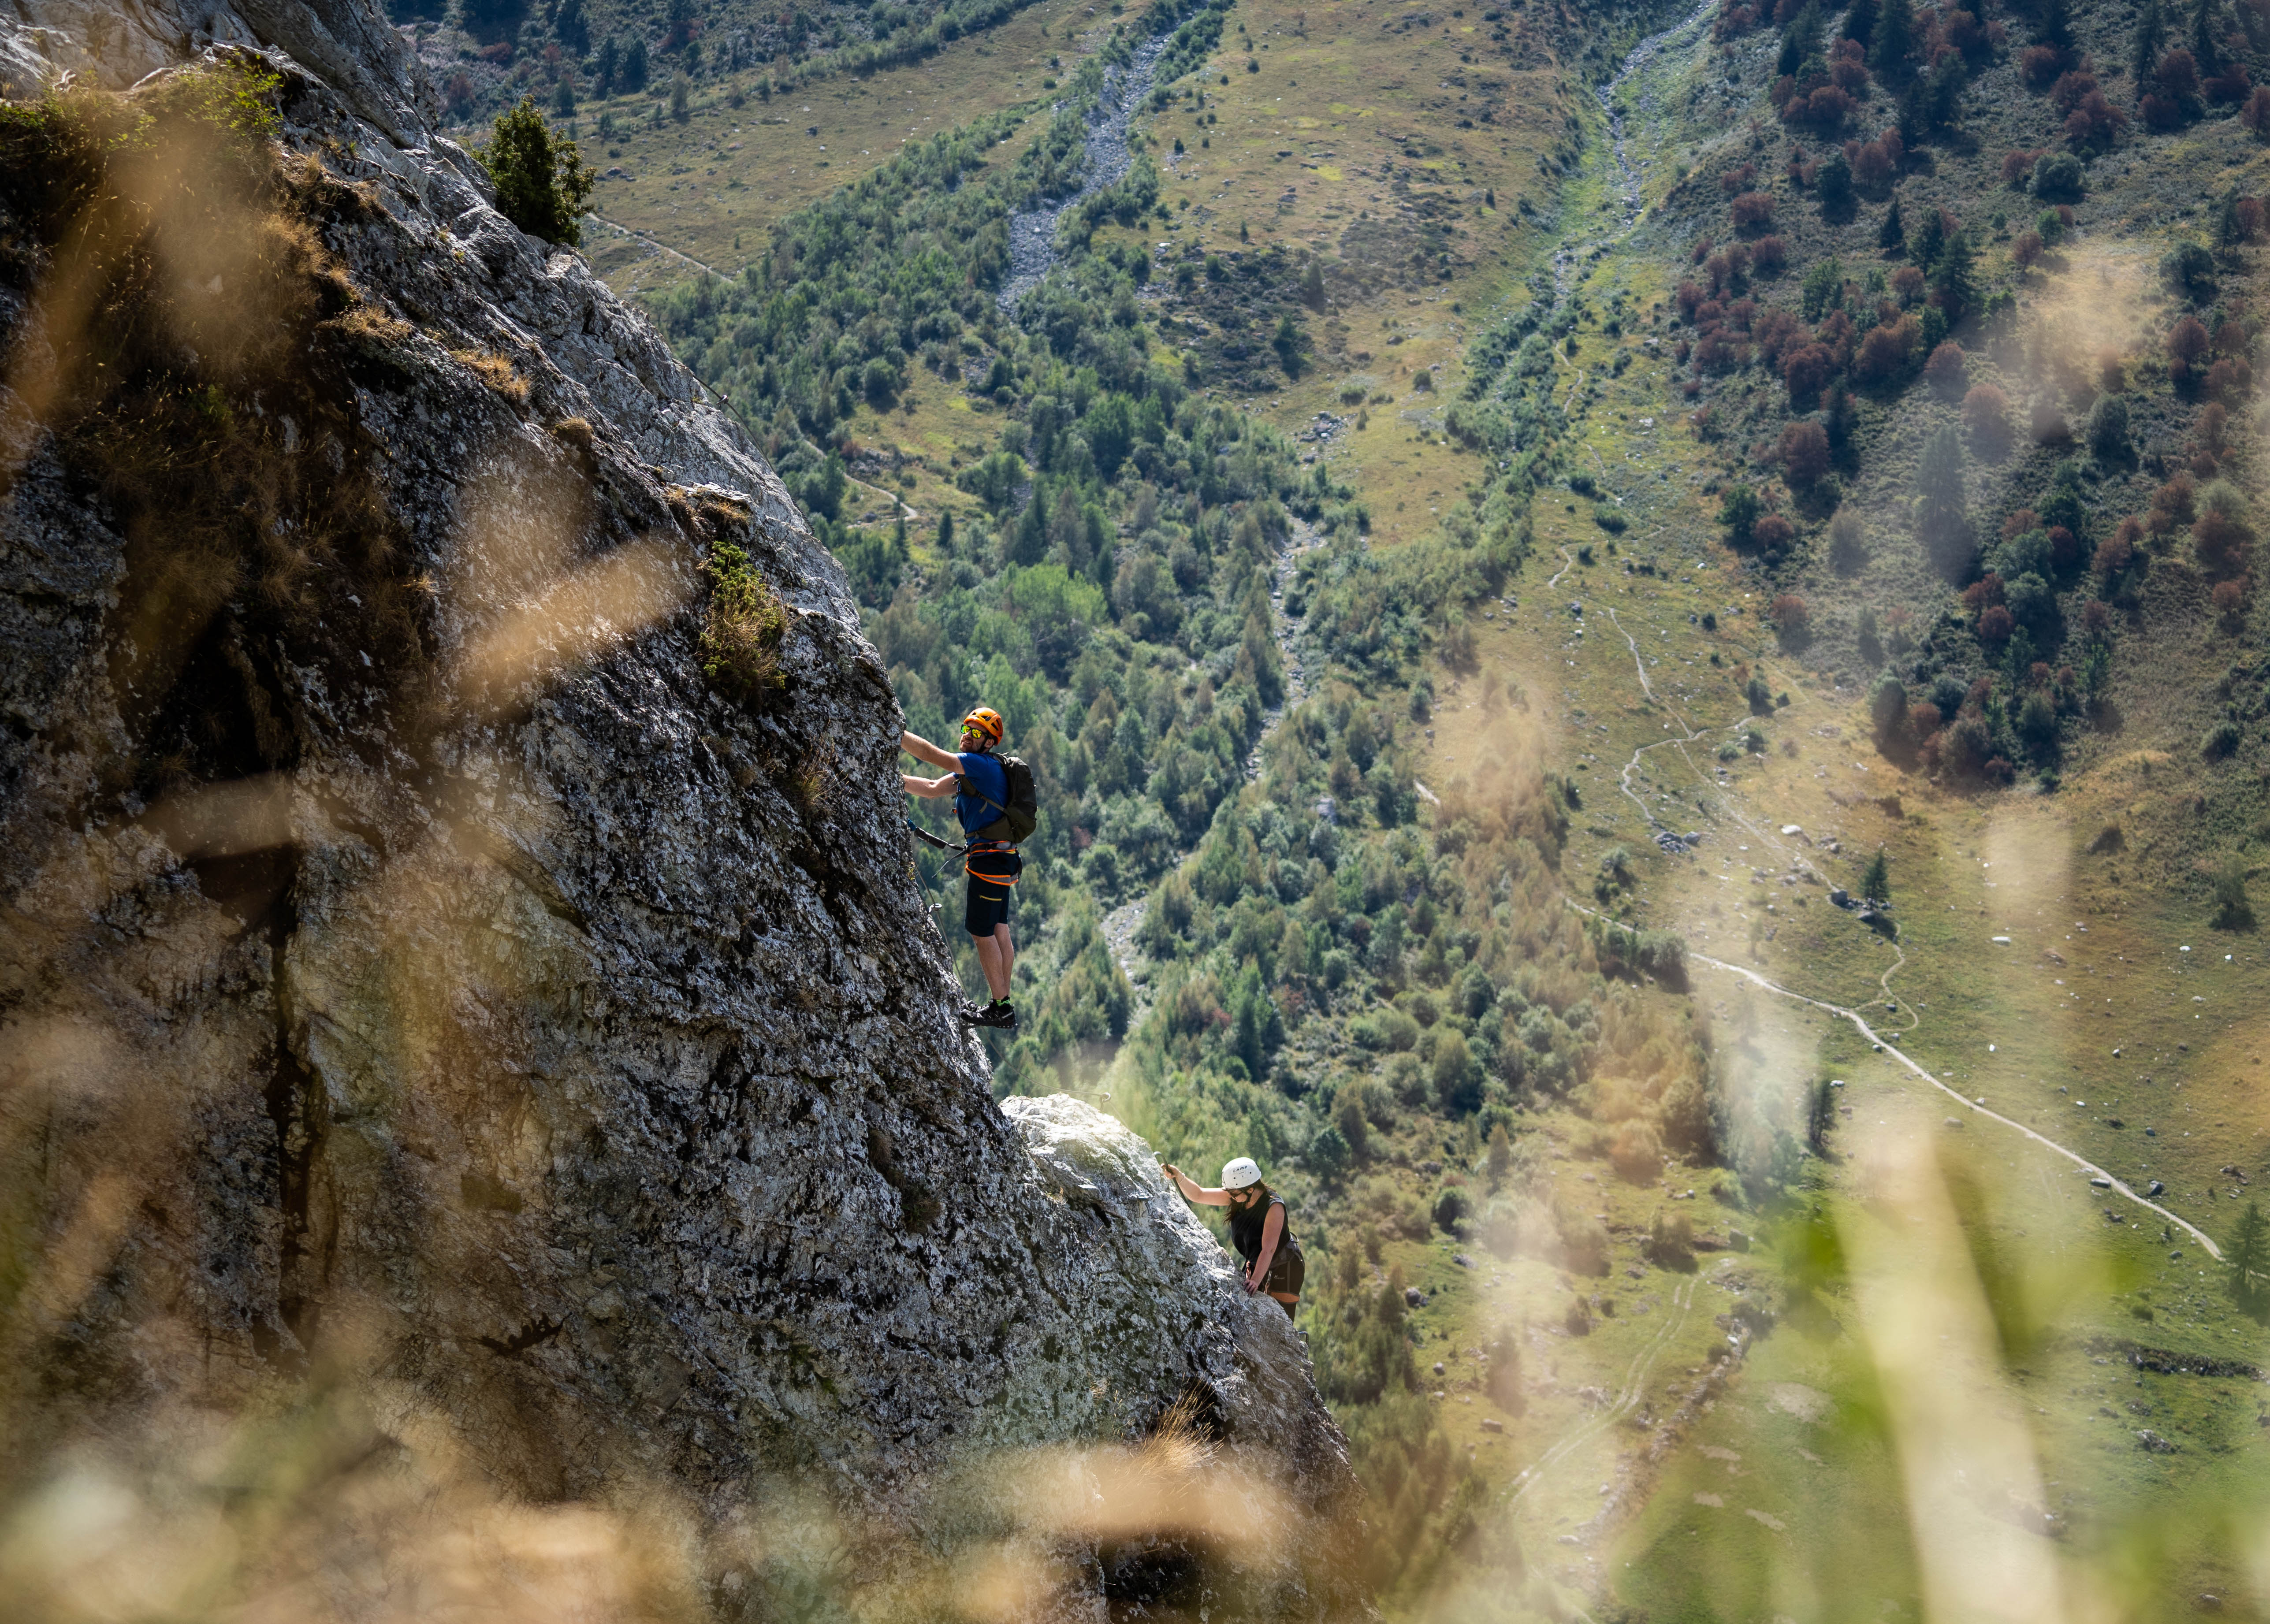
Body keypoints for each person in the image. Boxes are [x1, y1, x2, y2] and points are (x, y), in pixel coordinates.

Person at [902, 707, 1022, 1029]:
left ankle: (1001, 1008)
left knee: (981, 933)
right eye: (966, 729)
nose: (968, 736)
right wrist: (895, 781)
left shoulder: (978, 765)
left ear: (989, 743)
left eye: (977, 733)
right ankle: (1003, 1002)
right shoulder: (979, 771)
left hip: (988, 864)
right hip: (1002, 860)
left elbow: (932, 755)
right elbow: (929, 787)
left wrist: (895, 732)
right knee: (999, 930)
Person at [1162, 1156, 1304, 1317]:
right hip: (1259, 1262)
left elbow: (1269, 1249)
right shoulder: (1238, 1195)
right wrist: (1179, 1176)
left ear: (1250, 1189)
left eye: (1233, 1193)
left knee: (1279, 1317)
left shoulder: (1274, 1207)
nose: (1230, 1196)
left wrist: (1255, 1281)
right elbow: (1199, 1195)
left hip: (1284, 1266)